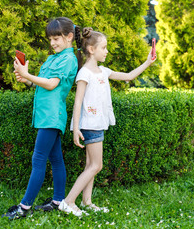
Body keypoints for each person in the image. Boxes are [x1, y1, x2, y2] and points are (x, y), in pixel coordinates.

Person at [58, 27, 157, 216]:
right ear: (91, 50)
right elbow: (77, 102)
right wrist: (75, 128)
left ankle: (86, 202)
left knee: (90, 165)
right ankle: (68, 201)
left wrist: (147, 62)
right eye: (104, 48)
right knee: (97, 166)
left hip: (98, 124)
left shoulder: (103, 71)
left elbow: (128, 76)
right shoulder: (84, 74)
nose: (107, 51)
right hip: (89, 125)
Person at [3, 17, 82, 220]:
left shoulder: (68, 59)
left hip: (52, 115)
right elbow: (42, 83)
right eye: (50, 38)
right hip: (46, 115)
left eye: (57, 38)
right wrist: (26, 79)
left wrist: (28, 75)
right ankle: (57, 201)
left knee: (38, 159)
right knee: (55, 159)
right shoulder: (53, 57)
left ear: (69, 36)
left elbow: (52, 84)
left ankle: (24, 207)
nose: (53, 42)